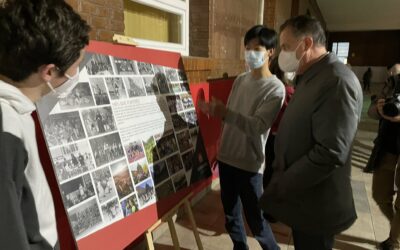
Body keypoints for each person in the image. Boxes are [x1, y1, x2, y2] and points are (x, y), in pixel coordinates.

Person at [259, 15, 363, 250]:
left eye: (285, 46)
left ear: (305, 44)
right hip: (303, 198)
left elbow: (331, 151)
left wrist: (284, 182)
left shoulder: (336, 81)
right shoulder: (313, 75)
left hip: (317, 204)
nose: (281, 53)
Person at [0, 0, 90, 249]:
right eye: (76, 64)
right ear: (48, 72)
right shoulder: (6, 129)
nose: (77, 72)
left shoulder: (17, 110)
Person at [199, 25, 284, 250]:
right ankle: (240, 247)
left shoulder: (276, 88)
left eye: (256, 48)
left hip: (250, 165)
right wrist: (221, 141)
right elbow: (230, 119)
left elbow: (257, 126)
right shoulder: (241, 80)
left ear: (270, 52)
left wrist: (225, 113)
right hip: (227, 159)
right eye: (247, 48)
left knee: (256, 220)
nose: (250, 54)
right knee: (231, 215)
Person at [369, 64, 400, 250]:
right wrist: (379, 109)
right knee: (380, 194)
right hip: (387, 147)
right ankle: (397, 228)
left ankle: (394, 241)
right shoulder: (394, 82)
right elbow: (371, 111)